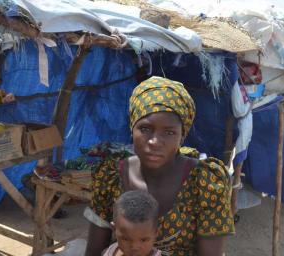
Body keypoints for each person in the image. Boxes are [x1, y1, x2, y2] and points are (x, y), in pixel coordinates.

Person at [84, 76, 235, 256]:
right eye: (145, 129)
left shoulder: (205, 182)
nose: (155, 141)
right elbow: (93, 251)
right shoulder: (111, 176)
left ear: (182, 136)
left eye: (169, 132)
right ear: (132, 128)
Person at [104, 190, 162, 256]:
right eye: (126, 239)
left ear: (156, 232)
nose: (134, 247)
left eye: (143, 240)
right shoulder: (110, 251)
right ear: (114, 229)